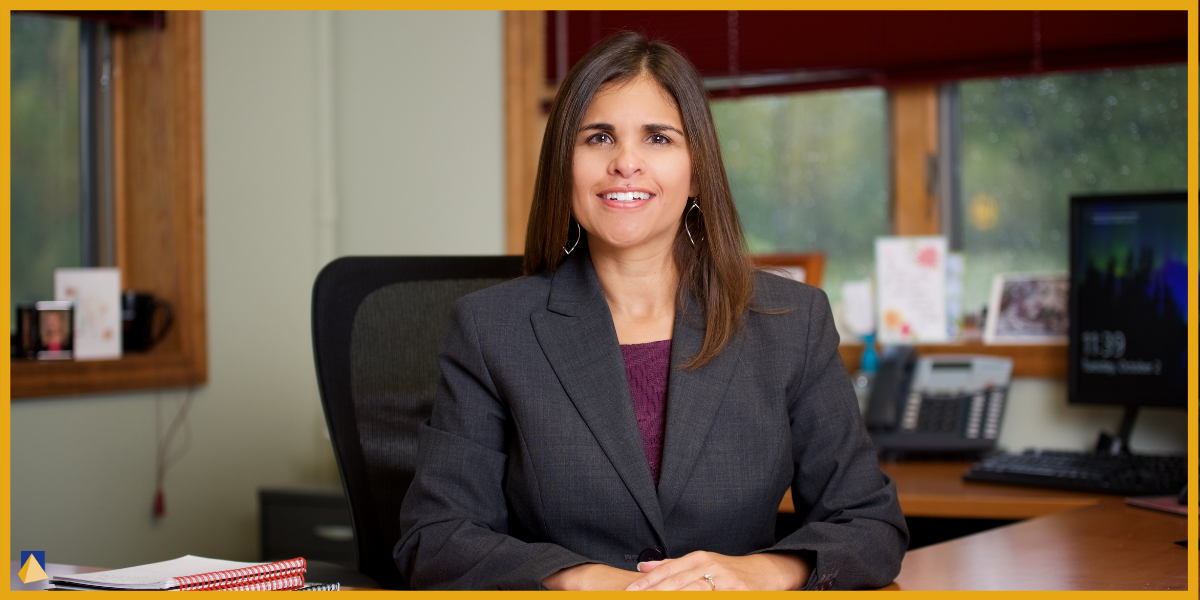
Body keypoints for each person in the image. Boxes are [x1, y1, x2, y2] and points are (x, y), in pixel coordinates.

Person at [395, 31, 907, 591]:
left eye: (658, 138)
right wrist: (580, 578)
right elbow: (437, 537)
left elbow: (870, 525)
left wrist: (760, 572)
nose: (626, 163)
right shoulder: (491, 329)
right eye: (598, 138)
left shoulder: (789, 321)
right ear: (564, 164)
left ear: (697, 169)